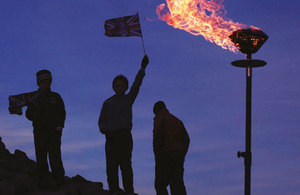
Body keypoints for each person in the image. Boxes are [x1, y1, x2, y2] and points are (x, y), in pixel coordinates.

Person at [98, 55, 149, 195]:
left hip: (125, 137)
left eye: (122, 85)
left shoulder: (128, 99)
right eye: (117, 85)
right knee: (111, 166)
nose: (119, 87)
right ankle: (114, 190)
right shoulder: (107, 103)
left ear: (125, 87)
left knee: (126, 165)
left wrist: (142, 68)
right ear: (114, 87)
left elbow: (137, 85)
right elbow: (101, 121)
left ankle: (129, 191)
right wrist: (106, 130)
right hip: (111, 138)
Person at [26, 69, 66, 188]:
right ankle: (43, 182)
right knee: (41, 157)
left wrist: (60, 125)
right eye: (43, 82)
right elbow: (28, 114)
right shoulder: (34, 97)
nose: (45, 84)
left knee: (55, 157)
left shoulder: (56, 96)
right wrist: (35, 115)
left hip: (54, 132)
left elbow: (62, 112)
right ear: (38, 83)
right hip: (39, 132)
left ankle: (59, 180)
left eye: (47, 81)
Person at [153, 101, 190, 195]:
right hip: (177, 156)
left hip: (165, 155)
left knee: (160, 184)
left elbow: (157, 138)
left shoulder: (159, 118)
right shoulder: (177, 121)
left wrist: (158, 156)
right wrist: (182, 154)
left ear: (156, 110)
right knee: (177, 183)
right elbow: (187, 139)